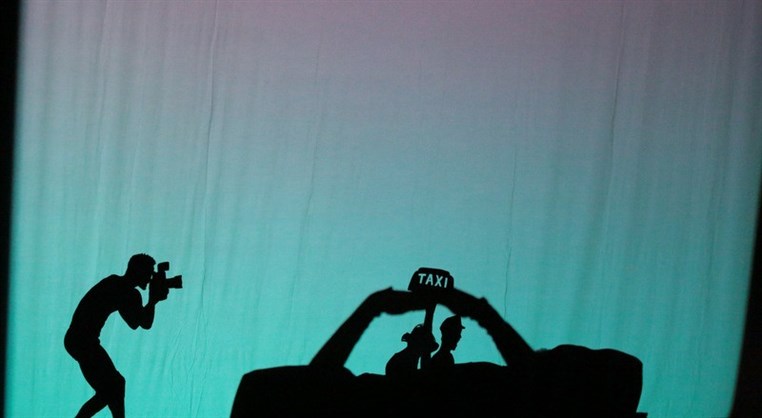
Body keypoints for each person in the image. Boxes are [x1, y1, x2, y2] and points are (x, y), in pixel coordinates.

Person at [64, 254, 169, 418]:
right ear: (139, 272)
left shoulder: (118, 285)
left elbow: (139, 323)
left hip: (81, 341)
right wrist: (153, 300)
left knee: (114, 387)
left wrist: (153, 301)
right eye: (149, 273)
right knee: (113, 387)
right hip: (82, 342)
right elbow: (141, 323)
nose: (150, 279)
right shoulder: (123, 289)